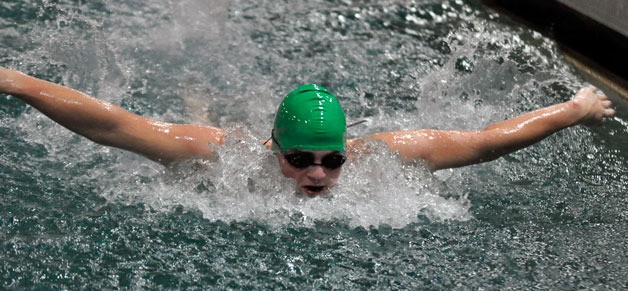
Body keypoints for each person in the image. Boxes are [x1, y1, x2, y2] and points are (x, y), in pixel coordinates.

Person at [0, 66, 616, 196]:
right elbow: (111, 124)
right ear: (274, 148)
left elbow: (484, 141)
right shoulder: (218, 158)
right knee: (206, 115)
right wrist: (17, 83)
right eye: (299, 159)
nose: (317, 173)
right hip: (221, 138)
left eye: (332, 160)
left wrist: (574, 109)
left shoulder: (387, 158)